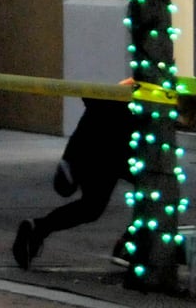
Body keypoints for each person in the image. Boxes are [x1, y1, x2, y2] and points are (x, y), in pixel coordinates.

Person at [13, 95, 135, 269]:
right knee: (153, 190)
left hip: (96, 140)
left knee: (91, 207)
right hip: (112, 143)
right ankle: (130, 244)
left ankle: (37, 228)